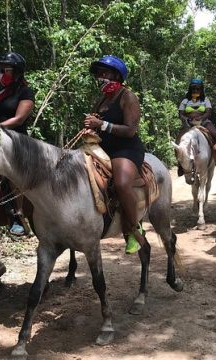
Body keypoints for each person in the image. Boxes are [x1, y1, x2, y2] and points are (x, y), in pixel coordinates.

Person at [84, 55, 145, 254]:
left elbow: (130, 130)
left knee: (121, 183)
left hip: (125, 148)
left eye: (105, 73)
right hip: (102, 148)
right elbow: (97, 125)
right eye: (99, 74)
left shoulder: (128, 96)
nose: (101, 77)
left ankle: (134, 228)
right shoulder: (100, 99)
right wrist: (90, 128)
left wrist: (101, 124)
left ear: (117, 76)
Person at [0, 51, 35, 235]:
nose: (1, 73)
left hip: (16, 140)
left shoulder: (25, 92)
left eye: (5, 69)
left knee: (14, 173)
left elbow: (19, 119)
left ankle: (18, 214)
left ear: (16, 72)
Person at [176, 79, 216, 176]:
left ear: (201, 89)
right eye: (194, 88)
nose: (196, 90)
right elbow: (181, 114)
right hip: (189, 123)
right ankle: (180, 164)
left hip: (204, 122)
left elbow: (208, 112)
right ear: (190, 89)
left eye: (198, 88)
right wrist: (186, 119)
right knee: (178, 141)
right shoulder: (185, 101)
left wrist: (201, 117)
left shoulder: (205, 100)